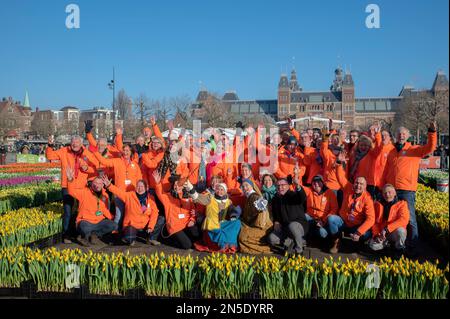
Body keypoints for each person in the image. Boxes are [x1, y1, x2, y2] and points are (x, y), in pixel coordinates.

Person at [384, 121, 437, 253]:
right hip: (392, 191)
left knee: (411, 219)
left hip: (407, 189)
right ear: (395, 136)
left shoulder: (414, 150)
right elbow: (387, 170)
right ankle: (395, 243)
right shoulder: (391, 151)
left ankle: (413, 246)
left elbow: (430, 148)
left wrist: (432, 132)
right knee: (391, 216)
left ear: (407, 136)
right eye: (399, 133)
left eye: (403, 134)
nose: (401, 135)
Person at [46, 135, 96, 243]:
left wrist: (87, 168)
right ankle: (67, 235)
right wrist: (50, 145)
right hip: (67, 186)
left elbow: (95, 167)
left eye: (77, 142)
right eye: (73, 142)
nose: (75, 144)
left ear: (81, 144)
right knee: (68, 211)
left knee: (80, 212)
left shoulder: (86, 154)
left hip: (81, 187)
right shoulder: (64, 151)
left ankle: (79, 234)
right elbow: (50, 156)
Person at [326, 154, 375, 254]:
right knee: (331, 219)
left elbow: (371, 219)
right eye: (357, 183)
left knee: (366, 233)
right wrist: (339, 163)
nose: (358, 185)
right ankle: (336, 241)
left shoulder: (367, 198)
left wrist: (359, 232)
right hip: (343, 221)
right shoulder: (349, 187)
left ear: (365, 187)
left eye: (361, 184)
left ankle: (357, 244)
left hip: (356, 225)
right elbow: (340, 177)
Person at [88, 143, 143, 228]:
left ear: (131, 152)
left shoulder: (135, 165)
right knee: (119, 214)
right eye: (124, 150)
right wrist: (95, 152)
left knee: (130, 215)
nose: (125, 152)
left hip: (131, 195)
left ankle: (128, 233)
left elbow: (139, 179)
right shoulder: (117, 161)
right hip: (119, 193)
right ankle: (115, 232)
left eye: (127, 150)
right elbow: (104, 161)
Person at [102, 176, 164, 246]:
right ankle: (130, 237)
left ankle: (151, 238)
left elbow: (154, 213)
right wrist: (109, 185)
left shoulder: (150, 198)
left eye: (142, 186)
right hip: (132, 225)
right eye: (138, 186)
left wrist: (150, 226)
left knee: (161, 219)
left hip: (145, 226)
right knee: (129, 240)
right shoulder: (129, 195)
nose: (140, 188)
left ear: (146, 188)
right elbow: (118, 192)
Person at [185, 180, 241, 253]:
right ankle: (222, 244)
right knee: (216, 229)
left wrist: (233, 215)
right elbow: (197, 197)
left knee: (237, 223)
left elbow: (233, 210)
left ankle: (230, 244)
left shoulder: (228, 201)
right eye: (218, 189)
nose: (219, 191)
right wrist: (190, 187)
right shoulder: (210, 198)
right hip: (211, 226)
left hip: (221, 224)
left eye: (222, 189)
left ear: (225, 191)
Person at [66, 167, 117, 246]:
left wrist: (114, 219)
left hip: (99, 221)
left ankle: (94, 235)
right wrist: (70, 180)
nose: (97, 185)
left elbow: (105, 210)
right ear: (92, 183)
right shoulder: (84, 192)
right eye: (95, 183)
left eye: (100, 183)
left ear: (103, 185)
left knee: (114, 225)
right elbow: (71, 191)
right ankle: (85, 237)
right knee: (84, 226)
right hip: (86, 221)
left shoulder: (105, 196)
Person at [152, 170, 200, 250]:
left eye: (179, 185)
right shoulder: (168, 197)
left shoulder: (188, 196)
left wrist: (192, 220)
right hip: (175, 226)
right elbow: (160, 193)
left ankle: (181, 238)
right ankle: (172, 238)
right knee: (187, 246)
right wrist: (157, 183)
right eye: (175, 185)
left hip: (186, 223)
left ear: (183, 186)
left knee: (196, 234)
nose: (176, 187)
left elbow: (193, 211)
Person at [269, 174, 309, 255]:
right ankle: (293, 241)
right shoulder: (275, 199)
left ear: (288, 186)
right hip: (285, 228)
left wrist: (297, 185)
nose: (280, 187)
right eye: (278, 185)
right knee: (272, 238)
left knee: (292, 226)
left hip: (299, 225)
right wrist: (276, 221)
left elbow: (302, 197)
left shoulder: (293, 195)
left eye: (283, 185)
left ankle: (299, 250)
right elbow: (275, 213)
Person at [369, 184, 409, 255]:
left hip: (394, 232)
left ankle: (398, 249)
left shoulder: (402, 204)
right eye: (385, 193)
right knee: (373, 246)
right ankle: (385, 245)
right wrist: (376, 235)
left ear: (394, 193)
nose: (387, 195)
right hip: (381, 234)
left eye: (390, 192)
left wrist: (387, 229)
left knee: (401, 231)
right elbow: (374, 222)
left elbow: (404, 219)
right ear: (382, 194)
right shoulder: (377, 204)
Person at [238, 179, 273, 254]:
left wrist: (260, 205)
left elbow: (259, 203)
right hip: (254, 225)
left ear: (252, 186)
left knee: (243, 237)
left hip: (262, 227)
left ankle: (267, 248)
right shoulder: (248, 197)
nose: (245, 188)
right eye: (243, 186)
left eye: (247, 185)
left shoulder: (254, 196)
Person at [302, 175, 339, 241]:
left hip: (324, 221)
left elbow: (334, 209)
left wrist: (323, 221)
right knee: (303, 217)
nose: (316, 183)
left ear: (323, 183)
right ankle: (307, 236)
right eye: (314, 182)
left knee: (322, 234)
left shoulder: (330, 193)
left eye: (318, 181)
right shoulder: (309, 190)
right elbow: (298, 187)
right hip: (311, 218)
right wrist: (296, 176)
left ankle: (330, 239)